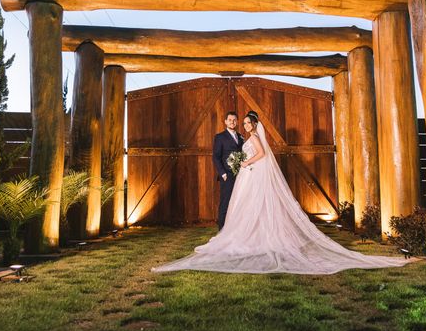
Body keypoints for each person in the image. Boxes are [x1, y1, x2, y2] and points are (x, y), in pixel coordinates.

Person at [152, 111, 412, 275]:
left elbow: (261, 155)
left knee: (250, 207)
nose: (243, 125)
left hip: (249, 175)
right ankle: (233, 233)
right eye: (241, 122)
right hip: (241, 176)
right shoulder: (232, 138)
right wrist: (234, 167)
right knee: (237, 207)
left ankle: (246, 236)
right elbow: (220, 156)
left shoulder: (250, 140)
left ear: (254, 124)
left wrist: (244, 163)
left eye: (246, 122)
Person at [211, 111, 244, 229]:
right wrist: (223, 173)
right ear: (225, 121)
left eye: (234, 120)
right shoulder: (220, 137)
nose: (232, 122)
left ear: (237, 121)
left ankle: (235, 229)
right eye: (230, 120)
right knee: (225, 202)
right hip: (227, 175)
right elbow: (216, 156)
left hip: (241, 175)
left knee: (239, 202)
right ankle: (222, 229)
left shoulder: (240, 137)